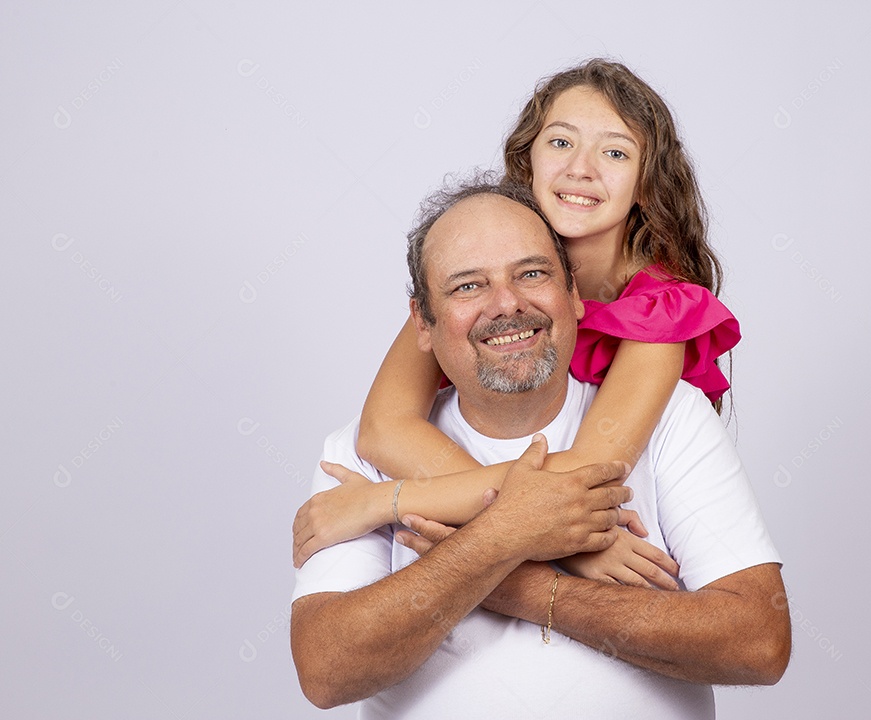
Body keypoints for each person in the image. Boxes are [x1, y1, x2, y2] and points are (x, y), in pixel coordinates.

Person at [290, 180, 789, 716]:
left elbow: (757, 643)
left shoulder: (669, 417)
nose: (507, 304)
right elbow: (326, 668)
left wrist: (519, 585)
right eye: (467, 287)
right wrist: (507, 535)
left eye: (532, 273)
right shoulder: (361, 452)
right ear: (422, 322)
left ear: (573, 293)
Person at [292, 60, 741, 587]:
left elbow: (581, 485)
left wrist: (382, 501)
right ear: (526, 161)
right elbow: (384, 429)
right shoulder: (477, 288)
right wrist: (555, 543)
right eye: (560, 142)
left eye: (615, 152)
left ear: (646, 185)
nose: (581, 169)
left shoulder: (660, 310)